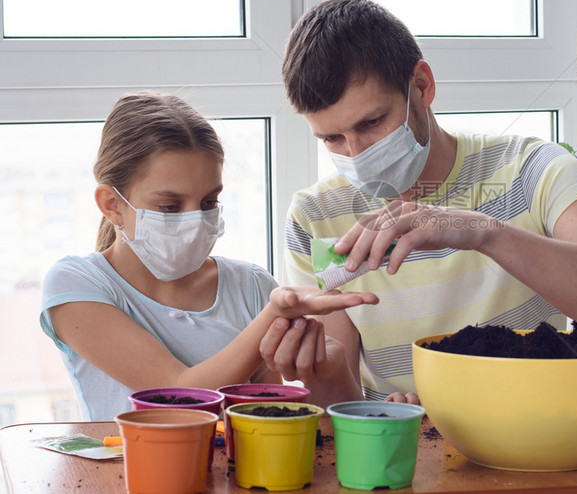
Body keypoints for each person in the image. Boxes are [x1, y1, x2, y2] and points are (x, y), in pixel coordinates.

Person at [261, 0, 577, 405]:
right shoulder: (316, 215)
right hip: (403, 456)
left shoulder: (533, 170)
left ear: (421, 87)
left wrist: (483, 233)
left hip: (537, 438)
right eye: (331, 138)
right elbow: (339, 391)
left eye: (372, 122)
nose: (357, 153)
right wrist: (380, 417)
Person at [40, 91, 377, 421]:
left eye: (208, 203)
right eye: (169, 207)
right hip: (120, 478)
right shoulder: (77, 284)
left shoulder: (251, 285)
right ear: (112, 205)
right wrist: (273, 313)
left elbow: (264, 416)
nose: (193, 221)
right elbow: (179, 393)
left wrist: (326, 366)